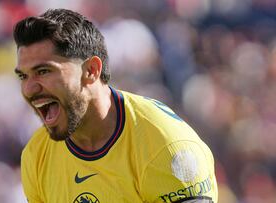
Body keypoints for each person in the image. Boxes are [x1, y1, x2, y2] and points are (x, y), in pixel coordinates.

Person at [13, 8, 218, 203]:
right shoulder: (37, 155)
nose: (29, 89)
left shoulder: (165, 145)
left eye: (44, 71)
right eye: (24, 76)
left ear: (91, 71)